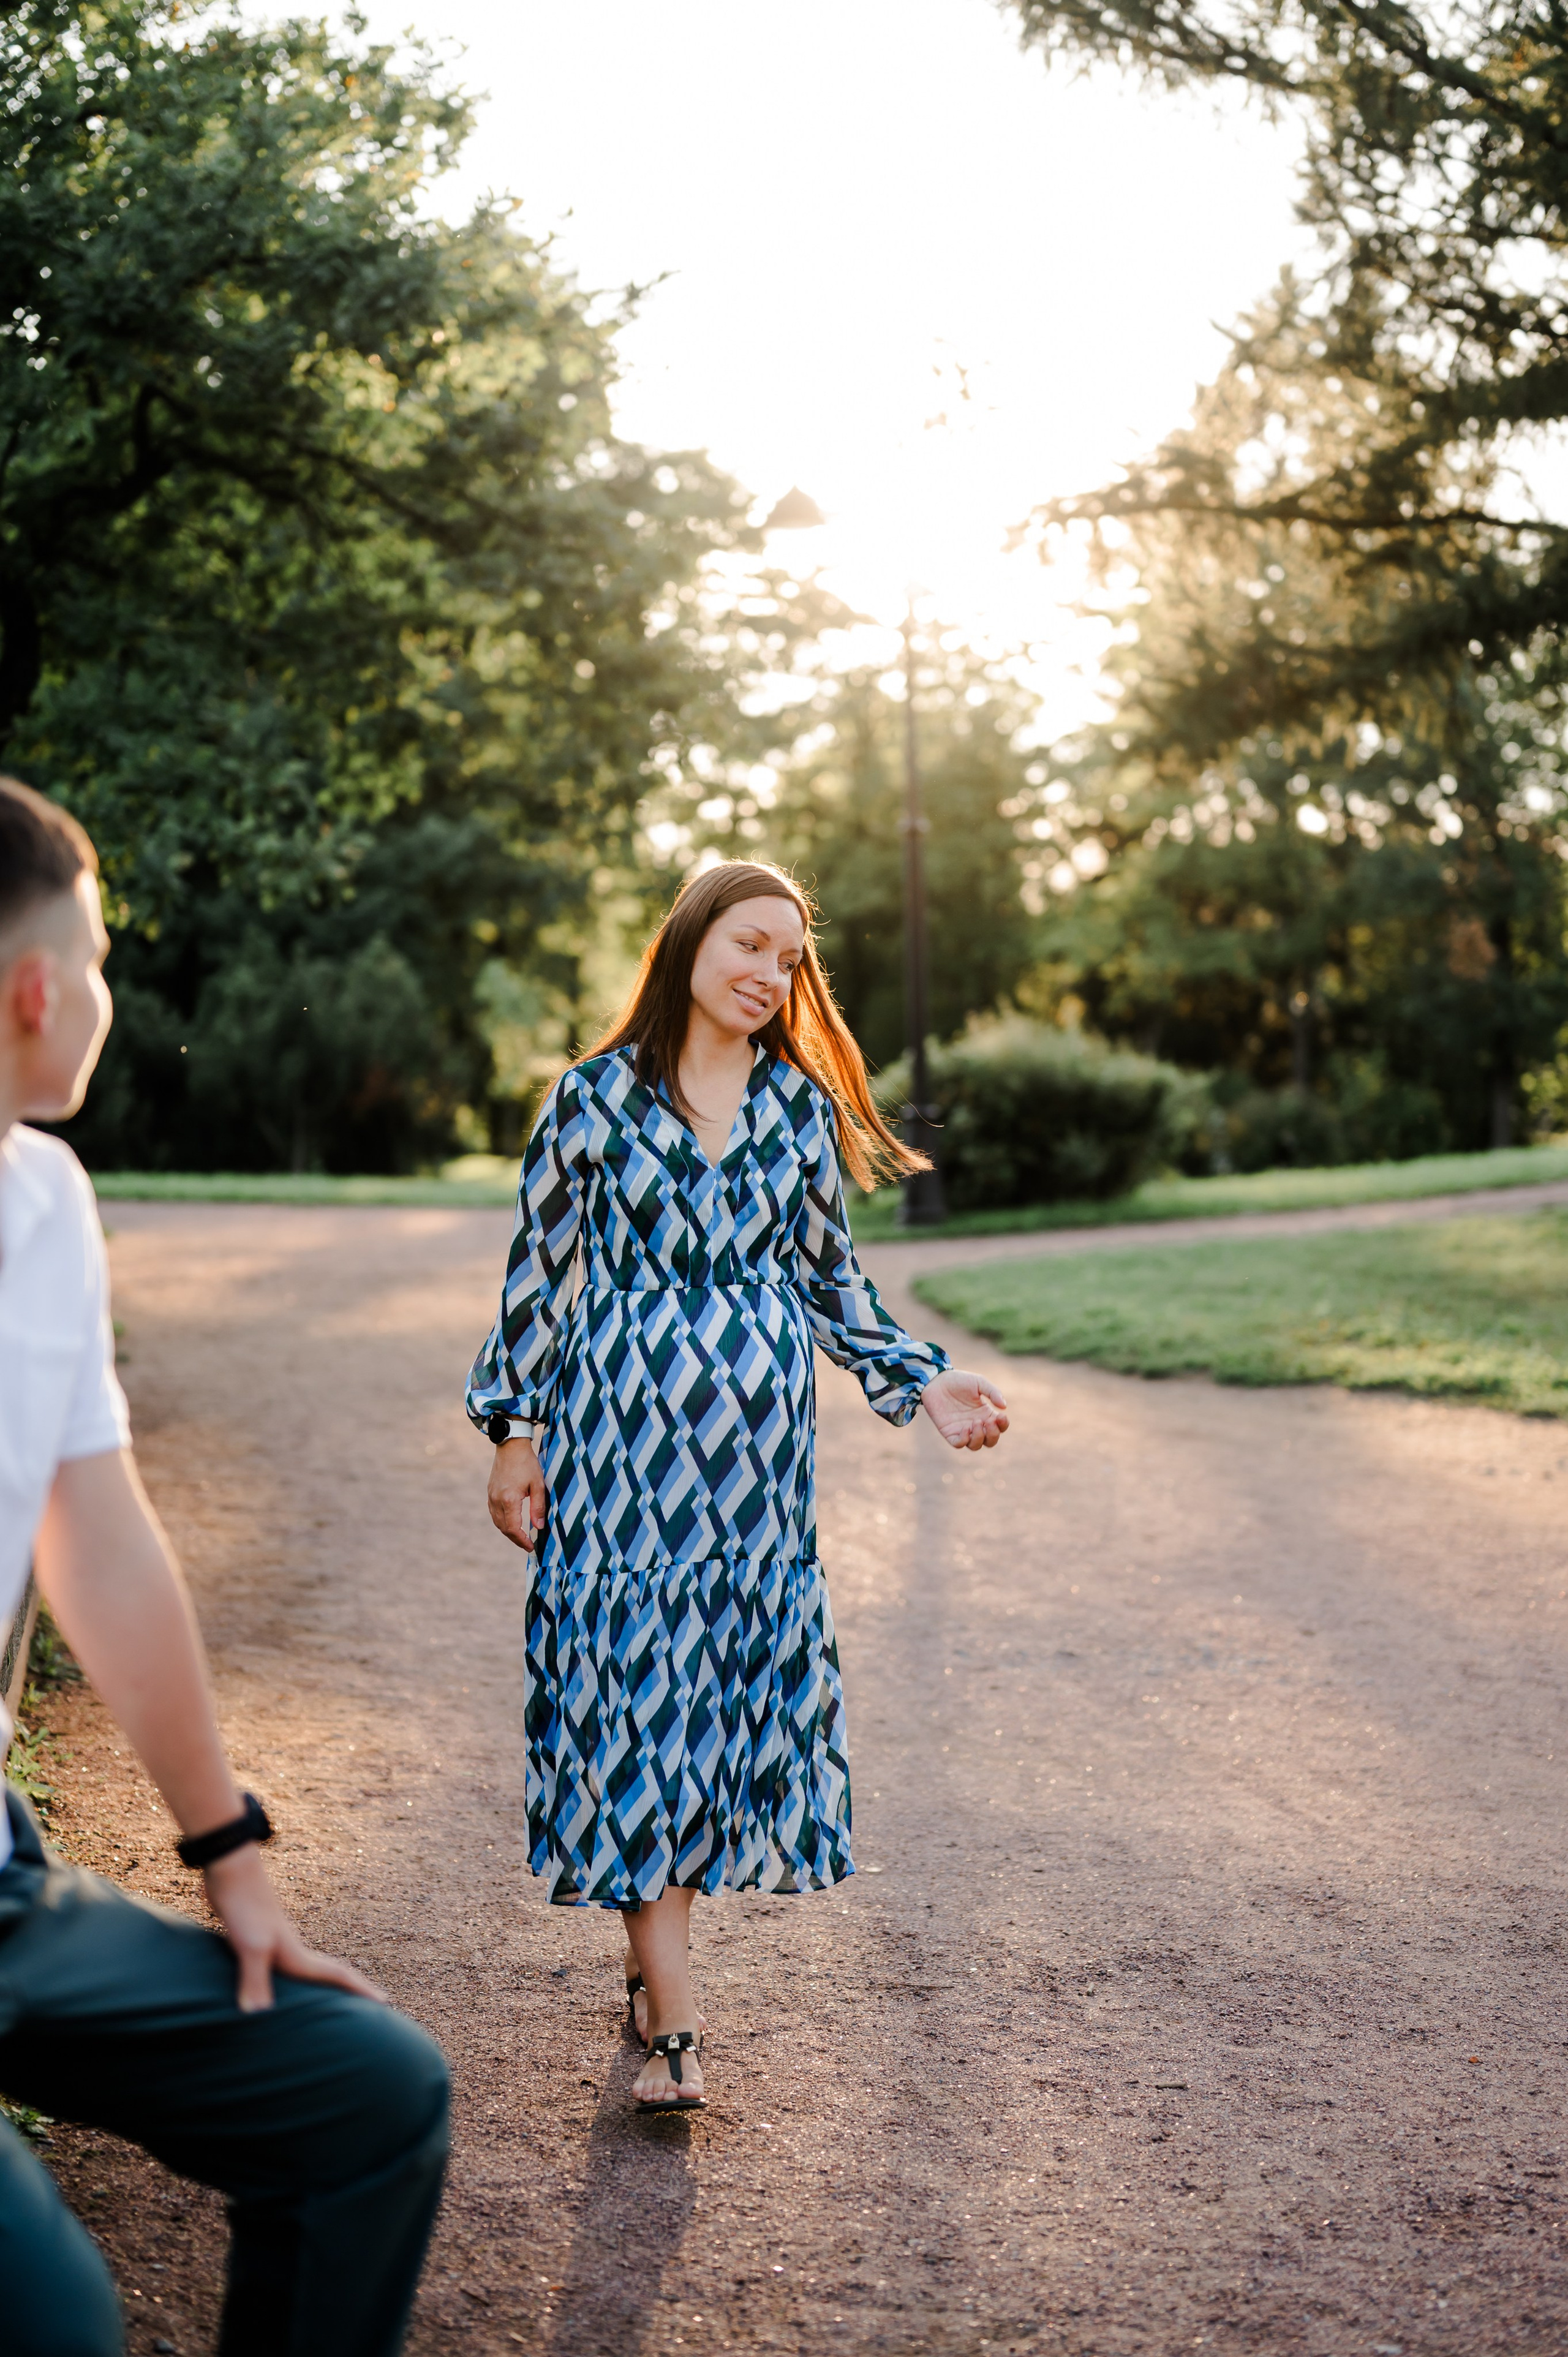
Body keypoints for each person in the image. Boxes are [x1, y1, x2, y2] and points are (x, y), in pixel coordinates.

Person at [0, 777, 450, 2356]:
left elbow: (98, 1542)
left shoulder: (42, 1202)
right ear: (37, 988)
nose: (114, 997)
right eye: (106, 958)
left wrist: (232, 1861)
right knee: (57, 2326)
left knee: (369, 2092)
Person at [468, 859, 1008, 2111]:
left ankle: (656, 1968)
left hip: (752, 1482)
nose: (770, 972)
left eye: (790, 958)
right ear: (690, 942)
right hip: (618, 1465)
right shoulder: (592, 1103)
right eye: (750, 944)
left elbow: (831, 1282)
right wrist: (513, 1431)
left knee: (702, 1713)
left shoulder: (796, 1114)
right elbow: (539, 1280)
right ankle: (677, 2016)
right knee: (634, 1706)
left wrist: (919, 1381)